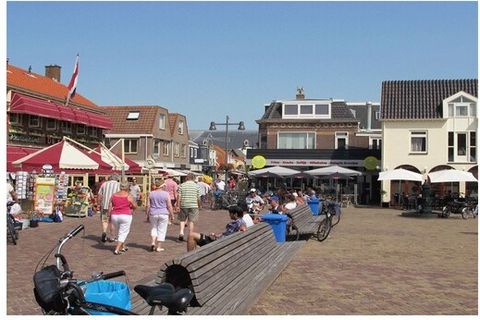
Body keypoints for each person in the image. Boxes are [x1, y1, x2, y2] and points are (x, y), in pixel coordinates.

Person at [109, 182, 137, 255]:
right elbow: (134, 205)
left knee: (120, 231)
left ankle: (123, 247)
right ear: (127, 188)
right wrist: (132, 209)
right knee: (123, 232)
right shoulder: (128, 195)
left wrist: (110, 215)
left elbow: (110, 205)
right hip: (125, 215)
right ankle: (117, 249)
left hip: (115, 215)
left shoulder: (114, 195)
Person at [146, 178, 173, 252]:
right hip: (163, 213)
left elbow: (148, 205)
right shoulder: (166, 194)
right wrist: (172, 215)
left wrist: (147, 214)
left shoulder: (151, 193)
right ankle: (159, 247)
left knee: (153, 228)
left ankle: (153, 242)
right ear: (162, 186)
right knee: (162, 230)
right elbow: (169, 205)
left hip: (153, 213)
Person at [176, 173, 201, 242]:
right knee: (191, 221)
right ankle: (190, 235)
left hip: (184, 205)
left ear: (187, 178)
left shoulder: (182, 185)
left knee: (182, 220)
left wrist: (177, 205)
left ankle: (181, 232)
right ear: (193, 178)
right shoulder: (196, 186)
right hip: (194, 205)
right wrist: (199, 205)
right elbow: (198, 198)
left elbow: (179, 196)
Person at [97, 174, 120, 243]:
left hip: (104, 205)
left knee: (105, 220)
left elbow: (100, 194)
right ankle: (112, 237)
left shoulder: (104, 184)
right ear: (116, 179)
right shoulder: (118, 185)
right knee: (112, 222)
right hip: (114, 206)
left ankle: (104, 231)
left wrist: (98, 203)